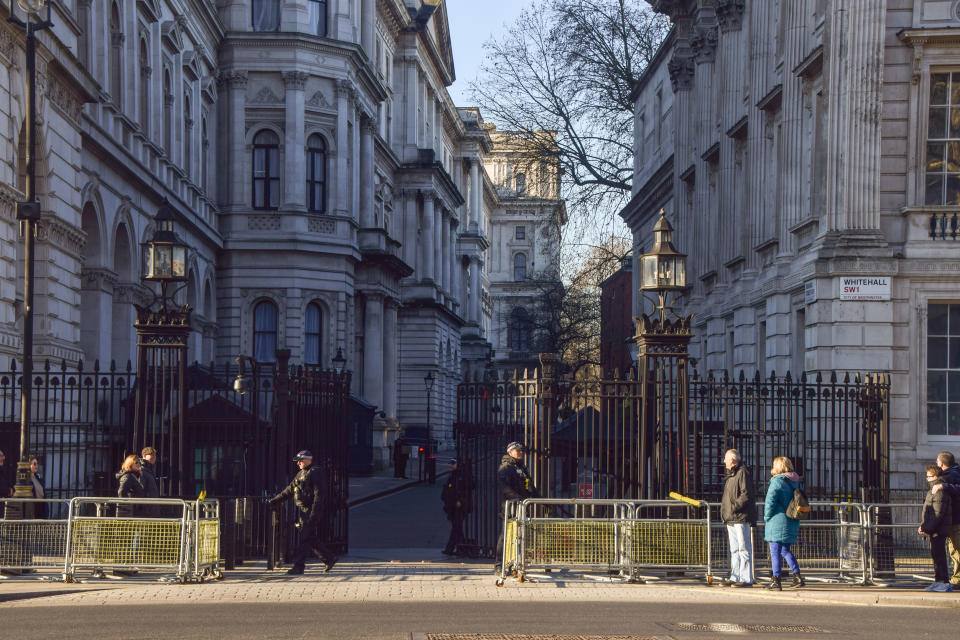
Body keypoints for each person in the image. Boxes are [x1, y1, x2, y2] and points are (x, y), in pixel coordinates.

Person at [269, 450, 337, 575]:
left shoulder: (315, 472)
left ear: (308, 460)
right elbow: (289, 490)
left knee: (304, 538)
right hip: (304, 510)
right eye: (297, 461)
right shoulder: (301, 474)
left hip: (312, 511)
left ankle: (299, 567)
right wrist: (275, 500)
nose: (298, 463)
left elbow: (319, 495)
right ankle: (329, 558)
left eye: (300, 461)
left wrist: (314, 514)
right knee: (309, 537)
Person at [494, 441, 537, 575]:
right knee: (506, 535)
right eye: (517, 450)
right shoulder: (506, 467)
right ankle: (499, 566)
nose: (520, 452)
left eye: (521, 450)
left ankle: (515, 564)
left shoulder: (521, 467)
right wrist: (517, 498)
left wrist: (541, 500)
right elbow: (504, 487)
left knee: (520, 536)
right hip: (511, 507)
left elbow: (529, 486)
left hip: (521, 507)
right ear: (510, 452)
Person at [763, 456, 804, 591]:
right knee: (785, 550)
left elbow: (770, 502)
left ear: (778, 467)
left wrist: (766, 517)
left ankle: (776, 579)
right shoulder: (796, 481)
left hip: (777, 520)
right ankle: (797, 575)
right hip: (791, 519)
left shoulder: (777, 482)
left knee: (774, 550)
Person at [720, 448, 755, 587]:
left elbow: (746, 495)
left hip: (739, 516)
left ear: (732, 461)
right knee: (735, 549)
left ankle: (746, 578)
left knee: (743, 548)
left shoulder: (741, 473)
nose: (724, 461)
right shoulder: (732, 475)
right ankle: (735, 576)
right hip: (732, 517)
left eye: (726, 459)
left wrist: (733, 507)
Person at [920, 465, 954, 592]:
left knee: (939, 556)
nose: (927, 479)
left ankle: (943, 582)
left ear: (935, 476)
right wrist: (923, 525)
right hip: (934, 529)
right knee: (936, 555)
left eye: (929, 476)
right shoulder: (934, 489)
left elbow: (938, 513)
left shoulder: (939, 491)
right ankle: (938, 580)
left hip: (938, 529)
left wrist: (927, 528)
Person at [930, 451, 960, 587]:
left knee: (956, 550)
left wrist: (942, 485)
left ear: (941, 463)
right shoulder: (953, 473)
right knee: (953, 550)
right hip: (952, 519)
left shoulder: (952, 475)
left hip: (955, 519)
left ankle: (957, 580)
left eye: (937, 462)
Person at [441, 458, 472, 556]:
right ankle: (463, 548)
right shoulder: (454, 474)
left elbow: (468, 488)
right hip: (452, 505)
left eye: (453, 463)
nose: (451, 465)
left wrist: (460, 500)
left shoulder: (463, 475)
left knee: (456, 527)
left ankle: (450, 549)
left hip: (459, 505)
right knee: (457, 528)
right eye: (451, 464)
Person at [25, 454, 47, 520]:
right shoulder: (27, 478)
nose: (36, 466)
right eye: (34, 464)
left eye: (37, 464)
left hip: (41, 505)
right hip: (34, 505)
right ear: (29, 465)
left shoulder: (38, 477)